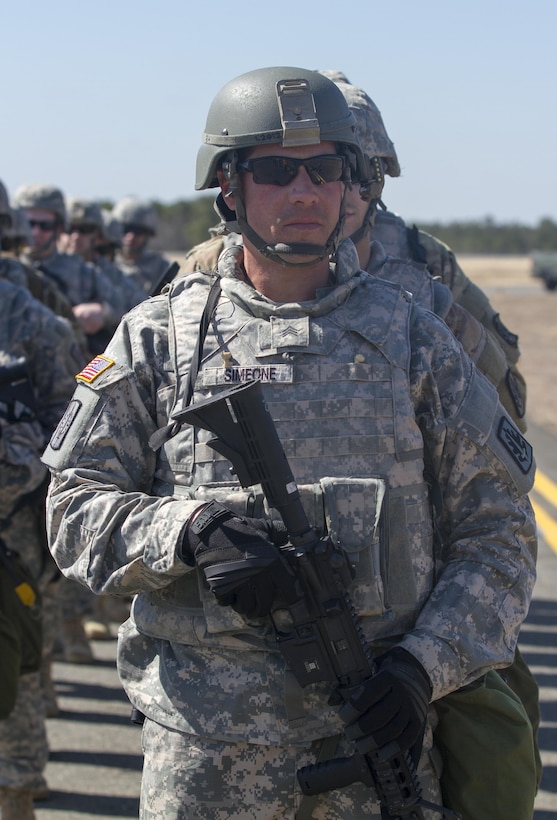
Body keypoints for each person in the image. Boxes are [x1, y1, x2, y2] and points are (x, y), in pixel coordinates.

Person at [44, 67, 537, 820]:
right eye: (275, 171)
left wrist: (419, 668)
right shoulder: (156, 339)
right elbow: (71, 511)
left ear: (351, 188)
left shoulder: (414, 341)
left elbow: (497, 536)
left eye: (326, 170)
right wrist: (187, 530)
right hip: (203, 758)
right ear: (229, 188)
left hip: (380, 742)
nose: (303, 192)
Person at [0, 276, 81, 820]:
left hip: (11, 521)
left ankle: (15, 786)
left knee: (13, 650)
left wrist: (20, 461)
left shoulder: (34, 324)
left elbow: (73, 423)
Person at [13, 183, 124, 357]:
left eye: (45, 225)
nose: (35, 232)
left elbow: (128, 309)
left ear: (59, 227)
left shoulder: (84, 273)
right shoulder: (7, 270)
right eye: (29, 223)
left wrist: (103, 312)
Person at [112, 196, 170, 296]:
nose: (130, 236)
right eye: (125, 229)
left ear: (147, 234)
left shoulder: (160, 268)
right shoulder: (105, 265)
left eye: (138, 231)